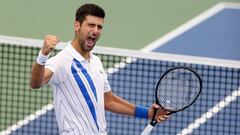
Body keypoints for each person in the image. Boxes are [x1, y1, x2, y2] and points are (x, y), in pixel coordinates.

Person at [30, 3, 169, 135]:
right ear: (77, 26)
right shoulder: (62, 61)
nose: (95, 31)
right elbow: (36, 82)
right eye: (91, 25)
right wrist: (43, 55)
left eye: (99, 27)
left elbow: (109, 101)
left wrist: (147, 113)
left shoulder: (96, 62)